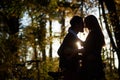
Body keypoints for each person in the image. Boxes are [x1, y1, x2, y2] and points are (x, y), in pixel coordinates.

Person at [80, 15, 106, 80]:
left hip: (92, 65)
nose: (85, 25)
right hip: (95, 63)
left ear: (90, 23)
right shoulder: (96, 33)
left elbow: (88, 47)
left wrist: (77, 41)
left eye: (86, 23)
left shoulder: (94, 33)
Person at [57, 16, 84, 80]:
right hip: (70, 69)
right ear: (76, 25)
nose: (84, 25)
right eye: (82, 23)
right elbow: (63, 51)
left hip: (69, 68)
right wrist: (79, 51)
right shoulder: (70, 36)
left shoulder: (73, 36)